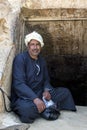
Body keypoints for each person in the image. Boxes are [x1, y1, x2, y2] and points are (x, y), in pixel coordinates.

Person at [11, 31, 76, 123]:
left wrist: (46, 90)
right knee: (27, 110)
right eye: (32, 44)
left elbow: (46, 79)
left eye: (38, 44)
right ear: (28, 46)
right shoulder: (20, 59)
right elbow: (19, 84)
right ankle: (47, 107)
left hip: (40, 93)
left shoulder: (42, 60)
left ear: (40, 46)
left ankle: (44, 107)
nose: (35, 47)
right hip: (25, 97)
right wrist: (35, 99)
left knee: (65, 92)